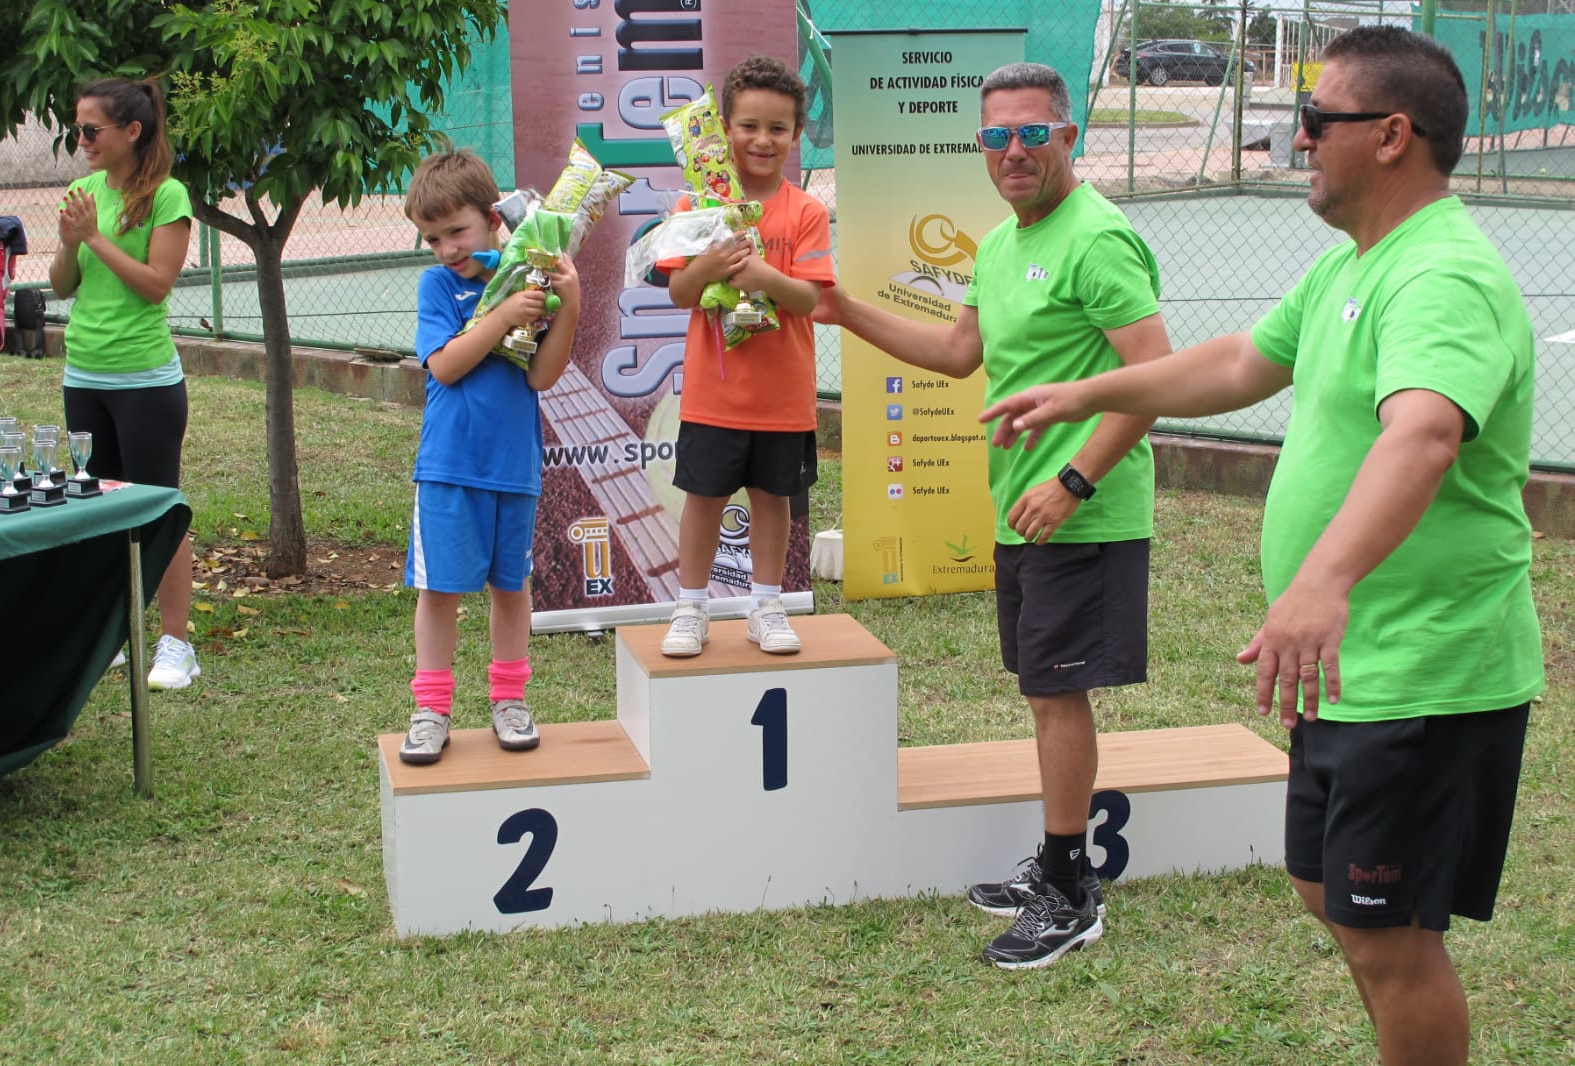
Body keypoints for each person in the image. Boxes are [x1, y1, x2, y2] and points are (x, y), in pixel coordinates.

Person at [980, 27, 1541, 1064]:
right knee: (1328, 894)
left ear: (1391, 136)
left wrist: (1323, 581)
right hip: (1352, 671)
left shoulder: (1443, 276)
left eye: (1316, 118)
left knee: (1388, 938)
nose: (1299, 138)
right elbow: (1240, 361)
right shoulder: (1353, 266)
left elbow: (1421, 435)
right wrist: (1087, 391)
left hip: (1426, 671)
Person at [817, 62, 1172, 970]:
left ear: (1068, 136)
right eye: (996, 136)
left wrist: (1074, 482)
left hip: (1082, 514)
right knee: (1042, 688)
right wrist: (844, 310)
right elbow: (956, 350)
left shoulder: (1098, 238)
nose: (1013, 151)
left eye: (1031, 133)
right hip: (1024, 510)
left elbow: (1155, 379)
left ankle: (1070, 891)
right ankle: (1057, 864)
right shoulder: (1002, 243)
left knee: (1056, 692)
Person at [397, 146, 581, 765]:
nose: (446, 248)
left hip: (514, 468)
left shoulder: (531, 278)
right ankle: (431, 710)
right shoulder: (437, 286)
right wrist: (502, 314)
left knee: (511, 587)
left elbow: (541, 377)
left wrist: (569, 302)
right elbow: (446, 366)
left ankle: (510, 700)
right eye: (433, 238)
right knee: (440, 593)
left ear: (494, 219)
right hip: (449, 469)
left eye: (457, 231)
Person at [656, 54, 834, 658]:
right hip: (715, 394)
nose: (762, 140)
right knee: (704, 499)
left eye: (777, 128)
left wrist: (762, 275)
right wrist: (711, 262)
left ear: (797, 133)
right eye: (748, 126)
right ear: (724, 128)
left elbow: (809, 299)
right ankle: (690, 607)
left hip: (783, 396)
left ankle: (766, 604)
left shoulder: (806, 211)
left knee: (772, 499)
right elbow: (681, 293)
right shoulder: (695, 209)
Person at [49, 78, 200, 691]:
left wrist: (93, 238)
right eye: (77, 130)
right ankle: (113, 634)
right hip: (84, 374)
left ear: (132, 131)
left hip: (144, 381)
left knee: (158, 508)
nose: (81, 141)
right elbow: (63, 285)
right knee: (101, 504)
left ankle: (177, 644)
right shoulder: (83, 192)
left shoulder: (168, 196)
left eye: (92, 130)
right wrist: (70, 246)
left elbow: (156, 284)